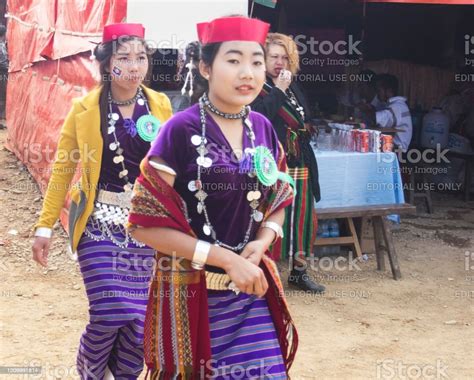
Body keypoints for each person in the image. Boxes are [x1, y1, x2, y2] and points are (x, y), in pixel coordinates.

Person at [127, 16, 298, 379]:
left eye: (256, 61)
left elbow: (280, 196)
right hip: (192, 295)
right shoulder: (179, 130)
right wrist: (224, 258)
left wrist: (262, 241)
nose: (247, 73)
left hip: (251, 294)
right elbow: (143, 223)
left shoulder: (263, 127)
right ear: (205, 67)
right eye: (233, 60)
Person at [31, 23, 172, 379]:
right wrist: (45, 226)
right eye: (124, 57)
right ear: (108, 64)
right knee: (111, 311)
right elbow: (63, 171)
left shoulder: (160, 105)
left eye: (141, 57)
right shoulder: (84, 109)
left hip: (145, 229)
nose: (134, 66)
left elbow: (172, 166)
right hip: (98, 226)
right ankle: (91, 371)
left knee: (139, 323)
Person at [251, 33, 325, 294]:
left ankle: (299, 272)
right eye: (274, 57)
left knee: (304, 216)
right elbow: (260, 117)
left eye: (285, 57)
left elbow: (305, 116)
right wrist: (279, 90)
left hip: (300, 158)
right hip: (271, 160)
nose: (280, 62)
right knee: (268, 213)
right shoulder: (256, 85)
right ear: (263, 58)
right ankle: (263, 271)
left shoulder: (293, 85)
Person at [375, 73, 413, 152]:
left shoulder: (397, 106)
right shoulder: (397, 105)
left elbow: (380, 118)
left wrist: (368, 112)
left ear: (389, 91)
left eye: (379, 90)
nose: (377, 93)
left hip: (398, 151)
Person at [0, 24, 8, 121]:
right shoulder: (1, 46)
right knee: (2, 95)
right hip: (2, 73)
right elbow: (2, 62)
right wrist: (9, 68)